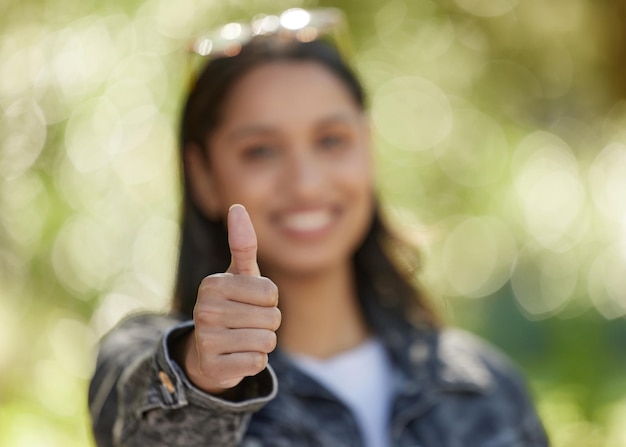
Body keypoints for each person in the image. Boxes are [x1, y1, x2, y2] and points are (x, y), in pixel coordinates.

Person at [88, 8, 549, 447]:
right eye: (260, 151)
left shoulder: (487, 387)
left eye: (331, 141)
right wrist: (202, 374)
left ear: (368, 148)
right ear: (203, 174)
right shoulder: (144, 361)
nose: (306, 184)